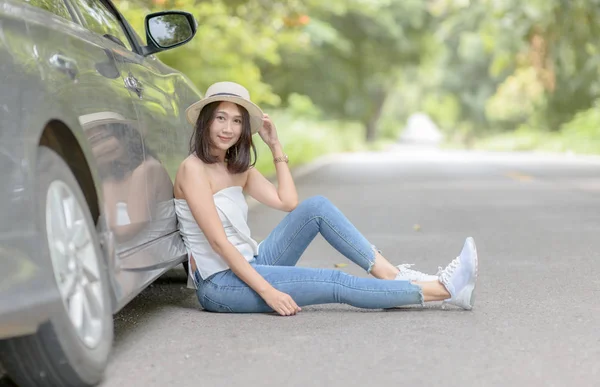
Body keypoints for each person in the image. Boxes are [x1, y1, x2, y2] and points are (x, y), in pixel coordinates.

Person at [173, 82, 478, 316]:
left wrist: (275, 146)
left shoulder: (237, 168)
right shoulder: (193, 170)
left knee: (315, 207)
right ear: (205, 122)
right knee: (334, 282)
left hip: (252, 262)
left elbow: (288, 202)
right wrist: (269, 292)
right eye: (221, 118)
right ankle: (444, 290)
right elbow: (219, 244)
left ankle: (391, 274)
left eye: (237, 121)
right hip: (221, 284)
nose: (228, 128)